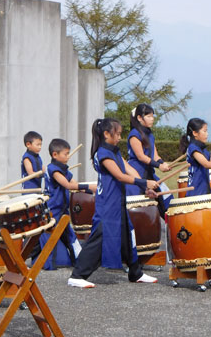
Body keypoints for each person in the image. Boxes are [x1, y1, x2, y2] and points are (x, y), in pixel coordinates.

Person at [68, 118, 159, 288]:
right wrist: (144, 183)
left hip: (118, 201)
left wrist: (145, 187)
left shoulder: (115, 151)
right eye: (116, 134)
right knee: (100, 237)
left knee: (127, 234)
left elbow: (128, 170)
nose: (119, 137)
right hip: (107, 203)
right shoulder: (102, 153)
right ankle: (77, 274)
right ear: (106, 134)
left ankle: (135, 272)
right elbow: (119, 176)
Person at [37, 138, 95, 270]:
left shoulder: (64, 170)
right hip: (53, 209)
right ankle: (47, 264)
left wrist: (88, 188)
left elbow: (74, 185)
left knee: (69, 236)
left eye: (68, 153)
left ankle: (80, 262)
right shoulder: (54, 170)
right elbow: (68, 185)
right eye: (66, 153)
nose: (68, 156)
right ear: (55, 155)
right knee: (49, 236)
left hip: (63, 209)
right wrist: (89, 186)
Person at [126, 104, 172, 216]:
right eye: (149, 116)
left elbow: (155, 155)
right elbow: (141, 156)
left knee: (167, 200)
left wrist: (162, 163)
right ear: (139, 118)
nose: (152, 118)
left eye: (153, 116)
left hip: (149, 173)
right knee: (138, 208)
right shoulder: (134, 135)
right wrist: (159, 166)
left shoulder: (150, 134)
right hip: (137, 173)